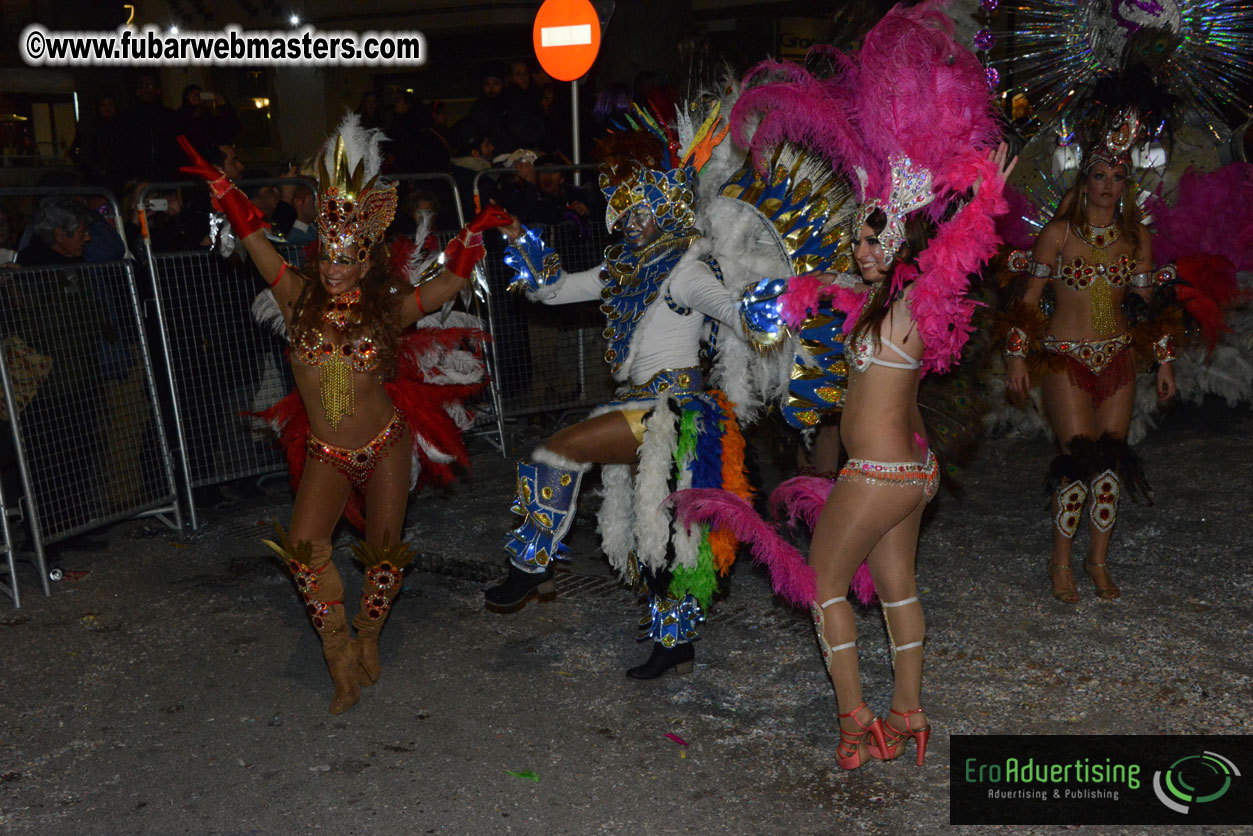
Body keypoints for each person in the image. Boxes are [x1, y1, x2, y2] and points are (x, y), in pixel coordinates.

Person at [177, 114, 512, 714]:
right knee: (304, 552)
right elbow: (256, 242)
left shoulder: (386, 312)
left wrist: (475, 234)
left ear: (365, 261)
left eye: (346, 259)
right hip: (326, 454)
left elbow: (441, 291)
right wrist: (227, 194)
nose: (333, 269)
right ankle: (338, 657)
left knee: (384, 554)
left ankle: (369, 634)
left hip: (385, 444)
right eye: (327, 257)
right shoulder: (296, 296)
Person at [484, 107, 758, 679]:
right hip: (638, 407)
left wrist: (768, 305)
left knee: (557, 450)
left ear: (666, 208)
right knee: (653, 534)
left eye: (640, 210)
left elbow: (735, 315)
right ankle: (674, 643)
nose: (630, 222)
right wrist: (517, 236)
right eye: (623, 212)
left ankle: (534, 562)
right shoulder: (624, 271)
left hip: (673, 412)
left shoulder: (686, 271)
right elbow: (554, 290)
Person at [1002, 110, 1176, 604]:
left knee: (1110, 468)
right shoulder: (1057, 235)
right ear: (1085, 179)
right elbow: (1027, 301)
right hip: (1064, 359)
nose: (1108, 185)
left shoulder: (1137, 238)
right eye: (1100, 175)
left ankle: (1097, 560)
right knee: (1077, 465)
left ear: (1126, 184)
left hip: (1118, 358)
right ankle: (1061, 561)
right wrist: (1016, 357)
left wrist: (1165, 361)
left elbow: (1148, 308)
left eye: (1118, 176)